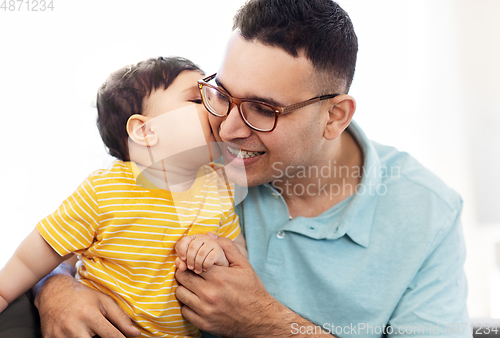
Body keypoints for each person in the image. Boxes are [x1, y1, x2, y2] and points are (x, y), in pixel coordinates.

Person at [0, 1, 471, 337]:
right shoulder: (189, 150)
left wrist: (265, 323)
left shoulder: (429, 215)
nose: (225, 129)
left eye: (263, 109)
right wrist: (57, 290)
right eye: (221, 93)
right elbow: (77, 231)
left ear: (334, 116)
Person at [0, 56, 247, 338]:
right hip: (98, 328)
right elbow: (38, 254)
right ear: (145, 131)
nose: (215, 109)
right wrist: (4, 292)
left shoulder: (219, 186)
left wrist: (214, 252)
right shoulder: (104, 190)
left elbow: (237, 257)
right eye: (196, 100)